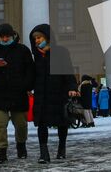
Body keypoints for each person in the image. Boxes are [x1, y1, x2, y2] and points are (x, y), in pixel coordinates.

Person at [0, 22, 34, 164]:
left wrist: (26, 86)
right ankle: (1, 151)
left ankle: (21, 145)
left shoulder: (23, 50)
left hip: (18, 94)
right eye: (2, 36)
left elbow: (30, 71)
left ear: (13, 35)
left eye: (7, 36)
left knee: (21, 125)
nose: (4, 39)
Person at [28, 24, 77, 164]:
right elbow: (32, 76)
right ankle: (44, 153)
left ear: (47, 37)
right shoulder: (36, 56)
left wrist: (72, 87)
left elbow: (68, 71)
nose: (37, 40)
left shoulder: (61, 52)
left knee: (62, 123)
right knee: (41, 124)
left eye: (39, 37)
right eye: (35, 38)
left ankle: (61, 149)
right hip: (41, 95)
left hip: (58, 93)